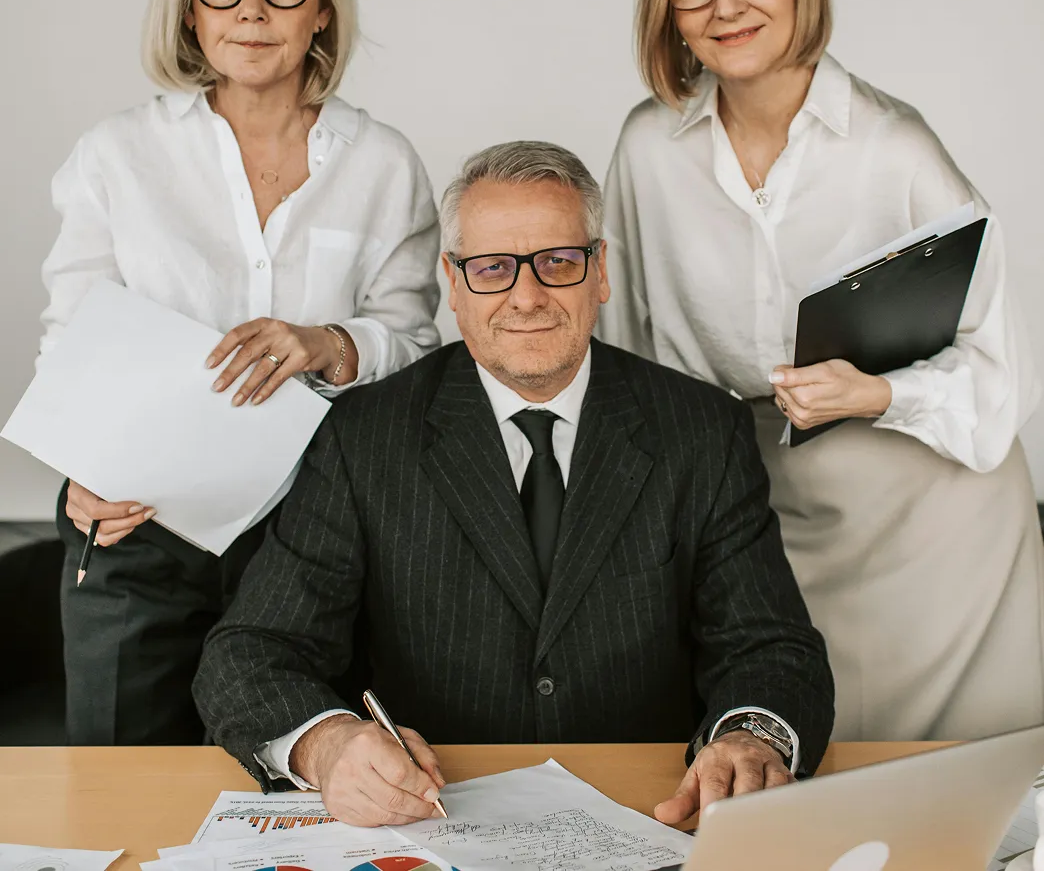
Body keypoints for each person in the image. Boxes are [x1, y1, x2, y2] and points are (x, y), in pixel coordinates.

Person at [194, 140, 834, 827]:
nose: (526, 297)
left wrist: (751, 738)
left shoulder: (704, 429)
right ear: (453, 283)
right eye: (494, 268)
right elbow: (251, 651)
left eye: (558, 262)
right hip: (433, 823)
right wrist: (327, 746)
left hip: (651, 813)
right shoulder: (363, 437)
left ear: (600, 273)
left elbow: (769, 646)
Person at [598, 0, 1044, 741]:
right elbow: (625, 354)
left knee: (960, 804)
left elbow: (1003, 374)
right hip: (752, 501)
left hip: (938, 517)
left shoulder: (895, 144)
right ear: (670, 7)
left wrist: (875, 392)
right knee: (786, 766)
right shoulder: (647, 149)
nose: (726, 3)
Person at [42, 0, 441, 746]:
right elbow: (68, 337)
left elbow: (419, 344)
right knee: (123, 795)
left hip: (315, 539)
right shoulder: (118, 154)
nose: (252, 8)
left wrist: (330, 342)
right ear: (190, 7)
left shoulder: (382, 163)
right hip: (138, 524)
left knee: (298, 797)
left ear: (322, 6)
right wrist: (79, 471)